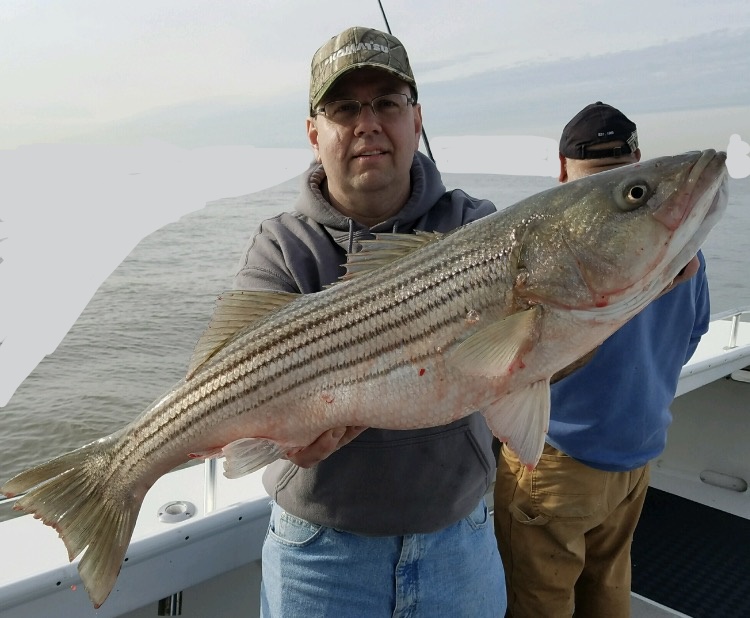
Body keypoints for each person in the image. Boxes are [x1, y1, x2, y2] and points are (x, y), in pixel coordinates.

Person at [233, 26, 506, 617]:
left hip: (460, 545)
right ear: (315, 134)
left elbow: (544, 363)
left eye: (387, 102)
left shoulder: (477, 228)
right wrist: (281, 438)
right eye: (344, 108)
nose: (368, 123)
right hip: (318, 559)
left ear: (417, 120)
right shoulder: (280, 245)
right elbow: (234, 384)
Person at [493, 101, 710, 618]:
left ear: (563, 171)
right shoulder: (686, 253)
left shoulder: (560, 255)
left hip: (558, 461)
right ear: (638, 159)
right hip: (636, 458)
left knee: (538, 604)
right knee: (609, 593)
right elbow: (692, 336)